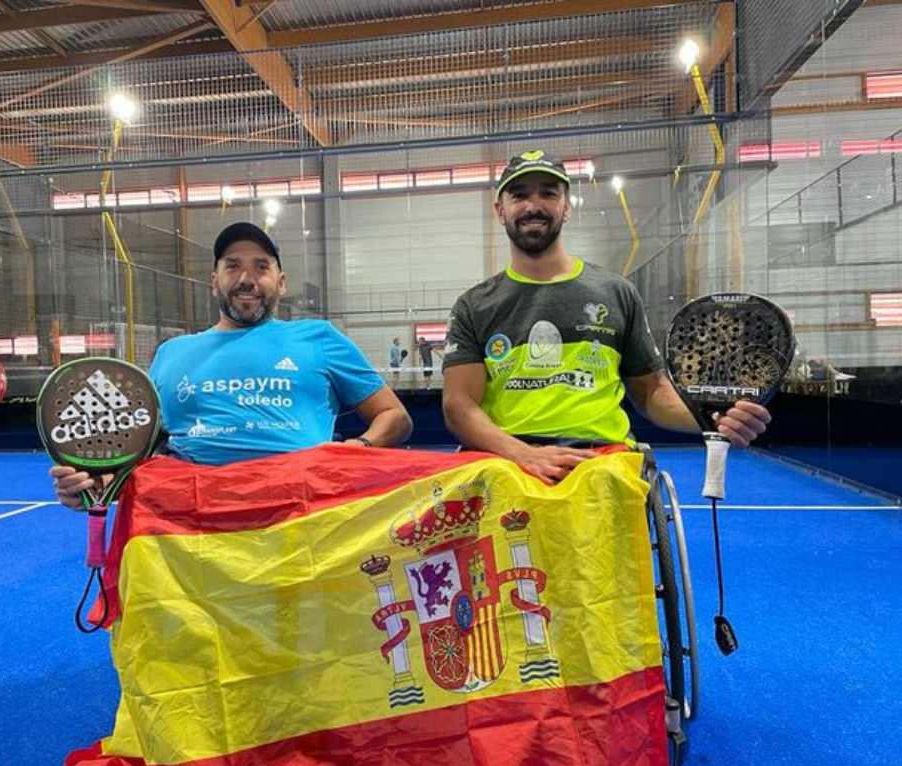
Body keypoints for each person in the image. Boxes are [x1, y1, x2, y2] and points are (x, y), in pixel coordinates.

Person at [441, 150, 772, 485]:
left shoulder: (616, 292)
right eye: (520, 195)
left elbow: (650, 391)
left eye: (548, 193)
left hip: (601, 461)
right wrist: (523, 454)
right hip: (508, 462)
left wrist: (713, 416)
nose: (533, 205)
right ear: (501, 210)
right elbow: (459, 405)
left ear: (567, 207)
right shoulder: (474, 306)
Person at [52, 222, 412, 508]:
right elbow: (147, 454)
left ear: (281, 283)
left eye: (261, 267)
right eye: (233, 266)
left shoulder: (318, 338)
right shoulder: (171, 353)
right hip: (191, 533)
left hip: (299, 524)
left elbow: (395, 417)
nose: (246, 278)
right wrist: (98, 485)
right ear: (214, 281)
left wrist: (360, 447)